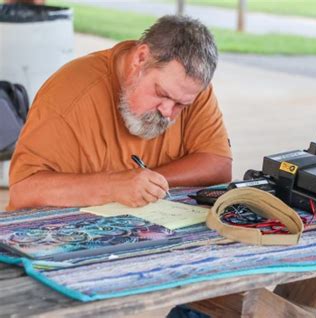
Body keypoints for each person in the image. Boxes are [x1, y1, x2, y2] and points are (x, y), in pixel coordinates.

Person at [7, 15, 232, 211]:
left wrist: (147, 182)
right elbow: (23, 191)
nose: (168, 111)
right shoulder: (69, 95)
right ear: (140, 58)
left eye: (181, 105)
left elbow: (218, 166)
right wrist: (112, 186)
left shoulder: (187, 89)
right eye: (161, 93)